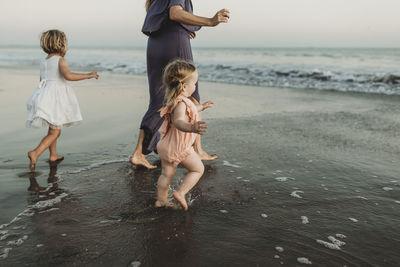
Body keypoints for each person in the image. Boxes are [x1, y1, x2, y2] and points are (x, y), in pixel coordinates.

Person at [129, 0, 230, 169]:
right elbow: (175, 13)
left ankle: (138, 153)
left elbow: (169, 16)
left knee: (158, 100)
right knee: (191, 95)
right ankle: (197, 149)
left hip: (156, 44)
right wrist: (210, 21)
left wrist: (185, 27)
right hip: (175, 42)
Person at [26, 29, 99, 171]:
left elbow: (42, 80)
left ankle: (53, 154)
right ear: (62, 44)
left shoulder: (44, 61)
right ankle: (35, 152)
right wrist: (88, 75)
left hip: (44, 95)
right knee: (55, 132)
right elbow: (68, 76)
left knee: (54, 126)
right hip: (56, 97)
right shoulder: (61, 60)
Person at [155, 59, 212, 211]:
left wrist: (201, 107)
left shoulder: (178, 101)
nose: (195, 86)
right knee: (198, 169)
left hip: (166, 145)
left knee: (166, 174)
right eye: (195, 83)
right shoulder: (181, 104)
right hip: (179, 147)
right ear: (185, 86)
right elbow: (179, 121)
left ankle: (161, 200)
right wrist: (191, 127)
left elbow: (191, 109)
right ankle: (180, 192)